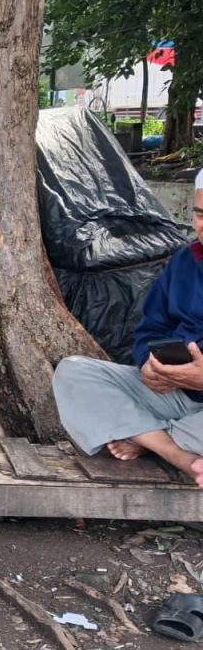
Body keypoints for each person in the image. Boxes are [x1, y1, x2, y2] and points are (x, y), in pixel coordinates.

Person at [53, 170, 203, 486]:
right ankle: (176, 452)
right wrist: (150, 365)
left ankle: (146, 436)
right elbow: (151, 329)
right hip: (172, 392)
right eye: (200, 215)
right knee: (74, 372)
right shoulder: (184, 261)